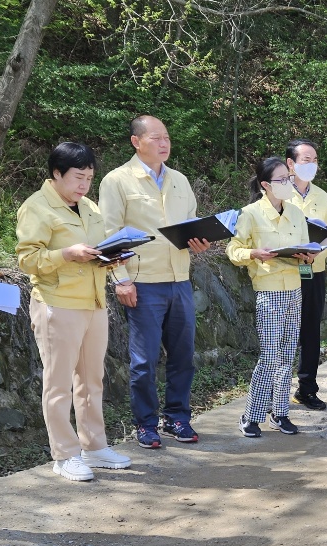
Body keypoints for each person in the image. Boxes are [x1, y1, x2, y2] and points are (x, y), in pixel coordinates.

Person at [15, 142, 135, 482]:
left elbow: (99, 248)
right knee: (58, 384)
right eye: (78, 177)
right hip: (57, 303)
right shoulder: (36, 208)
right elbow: (27, 260)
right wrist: (66, 254)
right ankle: (64, 454)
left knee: (91, 379)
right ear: (56, 174)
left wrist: (114, 258)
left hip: (94, 302)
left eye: (89, 178)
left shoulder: (90, 207)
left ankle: (94, 446)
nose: (84, 185)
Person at [98, 115, 212, 449]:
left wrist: (200, 240)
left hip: (179, 279)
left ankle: (178, 417)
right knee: (144, 360)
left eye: (167, 138)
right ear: (136, 141)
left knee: (183, 355)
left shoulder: (179, 179)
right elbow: (108, 235)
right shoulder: (117, 181)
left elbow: (191, 224)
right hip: (142, 281)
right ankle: (146, 424)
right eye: (156, 138)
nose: (164, 144)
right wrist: (120, 281)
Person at [228, 156, 315, 437]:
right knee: (269, 356)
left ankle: (280, 413)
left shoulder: (296, 213)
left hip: (294, 290)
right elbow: (234, 250)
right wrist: (254, 253)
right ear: (266, 184)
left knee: (288, 354)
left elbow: (304, 258)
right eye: (281, 180)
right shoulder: (250, 213)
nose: (287, 183)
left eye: (288, 178)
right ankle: (251, 416)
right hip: (269, 291)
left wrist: (308, 259)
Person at [284, 139, 327, 411]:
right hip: (285, 272)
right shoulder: (277, 192)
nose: (312, 165)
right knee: (282, 333)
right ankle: (275, 392)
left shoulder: (322, 196)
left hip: (312, 270)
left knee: (311, 332)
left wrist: (319, 250)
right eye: (306, 160)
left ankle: (307, 389)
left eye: (315, 160)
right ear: (290, 164)